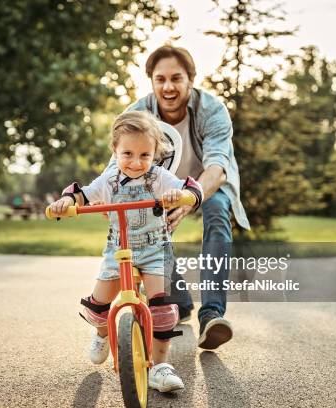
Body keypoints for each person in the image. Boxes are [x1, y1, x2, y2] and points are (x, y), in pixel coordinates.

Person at [106, 45, 251, 350]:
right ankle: (180, 301)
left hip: (207, 185)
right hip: (158, 186)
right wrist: (92, 197)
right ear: (152, 81)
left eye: (176, 78)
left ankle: (211, 315)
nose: (168, 87)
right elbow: (114, 167)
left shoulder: (212, 110)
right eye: (160, 79)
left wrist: (190, 197)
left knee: (217, 212)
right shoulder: (137, 113)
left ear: (190, 79)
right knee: (151, 227)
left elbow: (217, 167)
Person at [49, 111, 203, 392]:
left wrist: (181, 195)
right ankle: (102, 332)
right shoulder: (108, 181)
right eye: (128, 153)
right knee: (97, 308)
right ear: (115, 150)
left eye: (145, 155)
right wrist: (66, 201)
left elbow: (191, 189)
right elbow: (83, 194)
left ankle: (160, 366)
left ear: (155, 154)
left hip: (155, 250)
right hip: (118, 250)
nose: (136, 162)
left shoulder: (158, 177)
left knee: (162, 310)